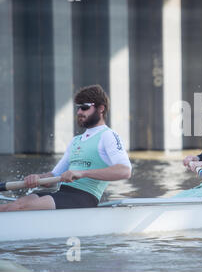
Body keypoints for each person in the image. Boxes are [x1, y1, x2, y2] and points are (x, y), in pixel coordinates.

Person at [0, 85, 132, 212]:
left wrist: (82, 173)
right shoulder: (76, 141)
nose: (79, 112)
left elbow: (125, 171)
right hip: (63, 193)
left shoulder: (108, 135)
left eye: (85, 107)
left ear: (101, 109)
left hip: (84, 197)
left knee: (18, 208)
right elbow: (53, 177)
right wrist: (37, 178)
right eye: (78, 108)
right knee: (10, 206)